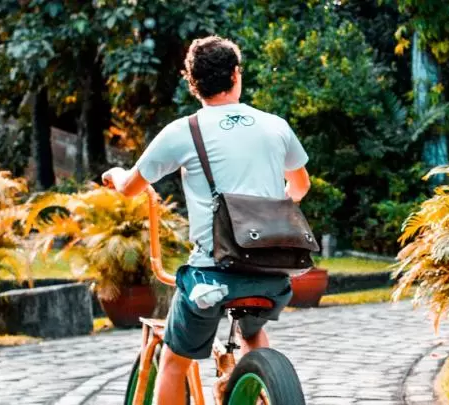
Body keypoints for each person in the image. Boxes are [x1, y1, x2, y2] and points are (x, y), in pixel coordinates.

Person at [101, 35, 310, 403]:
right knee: (252, 334)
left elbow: (131, 187)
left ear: (192, 82)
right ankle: (258, 386)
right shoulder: (275, 125)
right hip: (273, 273)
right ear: (236, 75)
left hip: (211, 274)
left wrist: (115, 173)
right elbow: (299, 186)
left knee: (173, 360)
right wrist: (262, 212)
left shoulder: (183, 131)